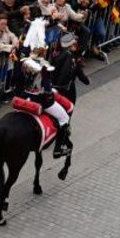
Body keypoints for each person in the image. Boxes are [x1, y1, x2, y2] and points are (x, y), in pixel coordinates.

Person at [20, 18, 72, 158]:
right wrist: (49, 92)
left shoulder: (24, 61)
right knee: (64, 118)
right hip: (41, 99)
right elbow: (47, 86)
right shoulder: (44, 65)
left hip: (25, 95)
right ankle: (58, 149)